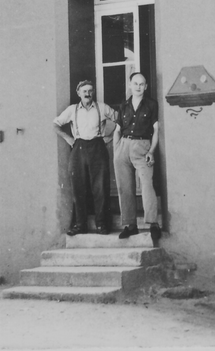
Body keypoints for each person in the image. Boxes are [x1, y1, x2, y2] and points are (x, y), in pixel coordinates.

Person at [53, 80, 119, 236]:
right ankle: (80, 225)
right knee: (78, 188)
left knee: (100, 188)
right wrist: (68, 139)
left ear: (93, 92)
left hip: (98, 147)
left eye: (90, 90)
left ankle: (102, 224)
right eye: (84, 91)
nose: (88, 93)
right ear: (79, 93)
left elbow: (120, 120)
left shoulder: (102, 108)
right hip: (79, 148)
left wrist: (108, 138)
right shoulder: (72, 110)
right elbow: (55, 124)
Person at [114, 72, 161, 240]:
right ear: (130, 85)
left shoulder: (151, 105)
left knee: (147, 185)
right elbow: (118, 130)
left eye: (142, 84)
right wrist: (116, 149)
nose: (138, 86)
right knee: (125, 187)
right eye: (135, 83)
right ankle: (130, 225)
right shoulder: (124, 106)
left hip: (143, 146)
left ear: (146, 86)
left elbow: (156, 130)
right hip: (123, 147)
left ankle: (153, 223)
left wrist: (151, 151)